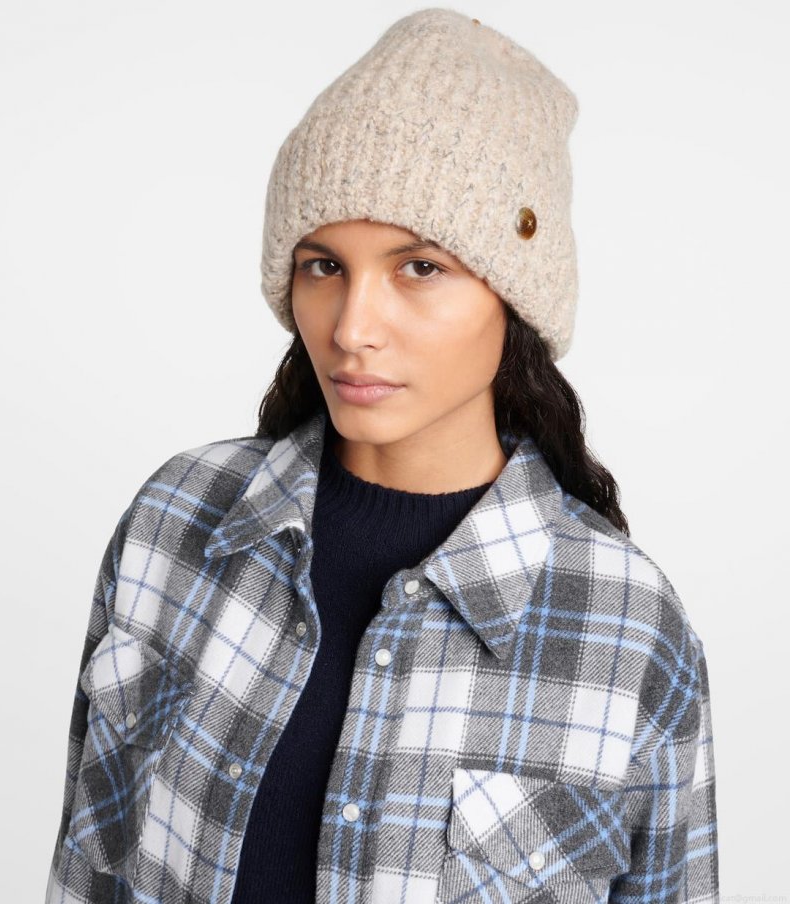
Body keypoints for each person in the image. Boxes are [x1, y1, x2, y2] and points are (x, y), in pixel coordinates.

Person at [45, 8, 719, 904]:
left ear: (516, 300)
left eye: (420, 267)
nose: (352, 328)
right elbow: (81, 866)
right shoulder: (175, 520)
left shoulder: (626, 625)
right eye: (323, 266)